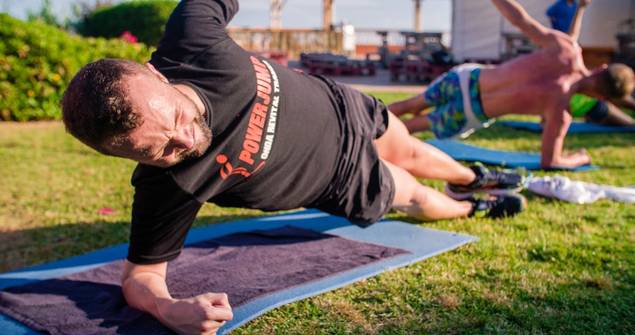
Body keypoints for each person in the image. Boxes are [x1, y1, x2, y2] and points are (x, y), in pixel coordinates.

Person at [60, 1, 527, 333]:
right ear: (123, 157)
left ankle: (472, 176)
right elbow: (141, 278)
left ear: (159, 74)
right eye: (157, 149)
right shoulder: (169, 185)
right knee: (418, 196)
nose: (185, 140)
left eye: (177, 118)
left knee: (416, 153)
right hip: (340, 179)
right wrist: (167, 310)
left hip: (342, 106)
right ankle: (472, 206)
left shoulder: (191, 38)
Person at [388, 0, 635, 169]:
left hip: (466, 80)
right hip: (471, 112)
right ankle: (373, 140)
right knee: (415, 125)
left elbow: (521, 20)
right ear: (605, 99)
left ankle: (366, 122)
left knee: (411, 103)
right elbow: (550, 161)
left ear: (602, 67)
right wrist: (579, 158)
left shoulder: (566, 50)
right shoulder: (560, 112)